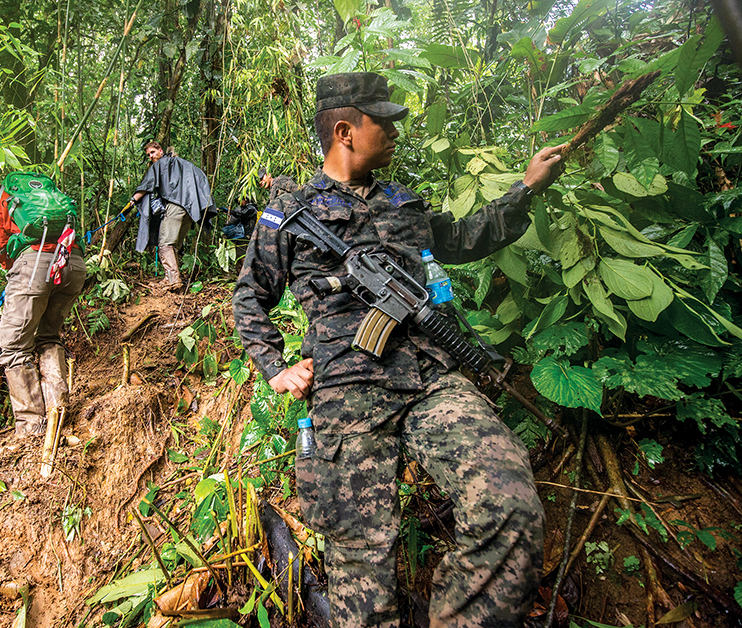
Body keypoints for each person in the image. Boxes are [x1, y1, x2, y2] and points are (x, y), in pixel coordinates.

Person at [233, 72, 566, 628]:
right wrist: (276, 366)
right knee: (362, 567)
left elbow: (465, 238)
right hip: (347, 392)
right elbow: (250, 297)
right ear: (345, 130)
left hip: (433, 379)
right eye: (381, 121)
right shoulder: (288, 213)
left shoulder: (402, 203)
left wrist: (526, 188)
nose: (393, 131)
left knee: (510, 505)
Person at [0, 186, 86, 437]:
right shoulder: (48, 195)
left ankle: (31, 429)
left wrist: (18, 268)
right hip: (73, 263)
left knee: (15, 348)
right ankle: (57, 411)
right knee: (48, 337)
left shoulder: (0, 196)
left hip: (34, 264)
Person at [132, 141, 215, 289]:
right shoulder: (183, 164)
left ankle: (172, 280)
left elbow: (146, 186)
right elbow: (200, 178)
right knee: (175, 245)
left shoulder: (160, 165)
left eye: (152, 152)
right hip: (190, 209)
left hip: (175, 207)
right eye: (148, 155)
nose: (151, 156)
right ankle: (175, 277)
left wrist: (133, 200)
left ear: (160, 150)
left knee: (165, 243)